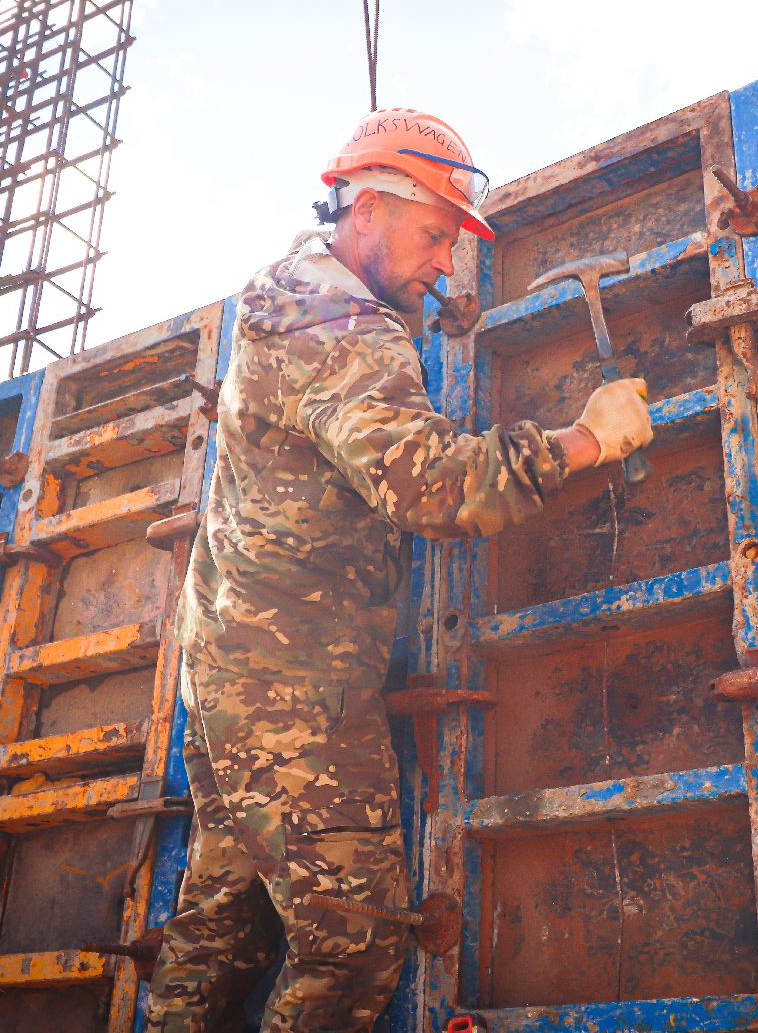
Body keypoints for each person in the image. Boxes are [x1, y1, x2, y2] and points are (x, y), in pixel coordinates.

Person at [145, 108, 654, 1031]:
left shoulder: (292, 296)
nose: (446, 262)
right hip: (296, 691)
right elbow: (432, 488)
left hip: (230, 676)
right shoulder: (341, 326)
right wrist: (588, 440)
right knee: (354, 947)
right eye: (434, 236)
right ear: (369, 210)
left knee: (219, 931)